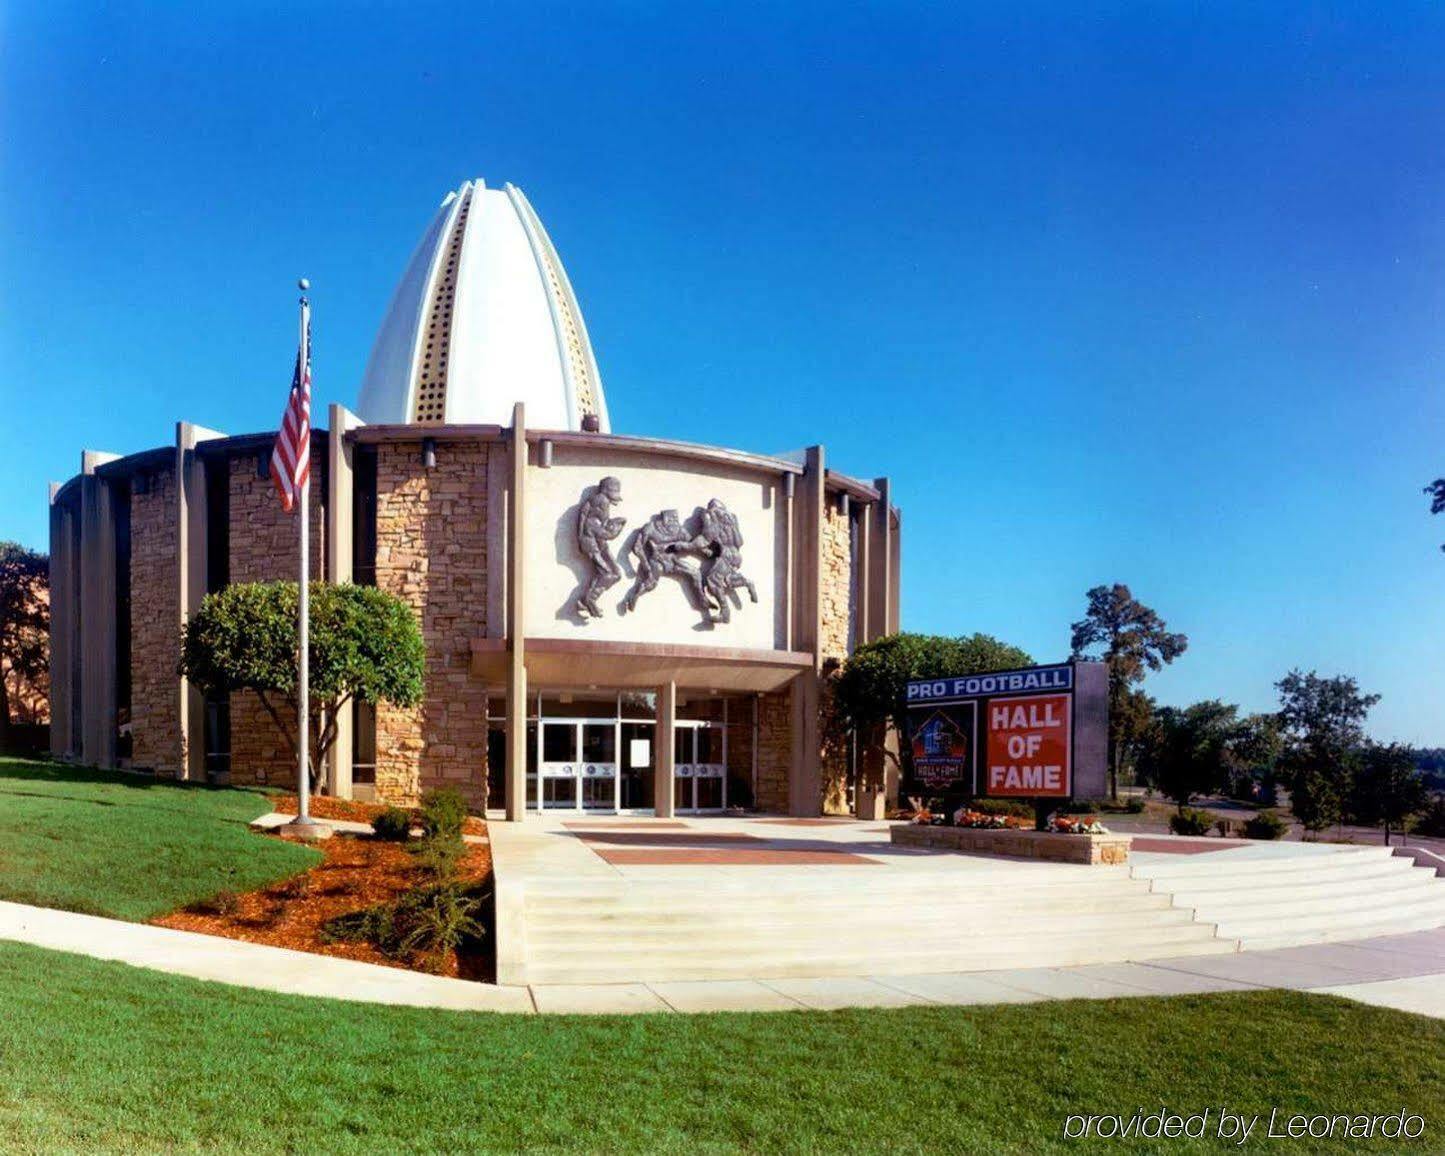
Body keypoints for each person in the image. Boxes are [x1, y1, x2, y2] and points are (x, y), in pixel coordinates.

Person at [575, 476, 626, 618]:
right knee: (608, 573)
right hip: (591, 545)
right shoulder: (599, 503)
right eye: (613, 492)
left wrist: (613, 522)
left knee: (616, 573)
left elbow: (602, 526)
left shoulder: (600, 507)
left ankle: (585, 601)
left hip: (599, 543)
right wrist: (617, 527)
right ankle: (588, 600)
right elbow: (604, 533)